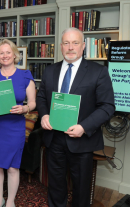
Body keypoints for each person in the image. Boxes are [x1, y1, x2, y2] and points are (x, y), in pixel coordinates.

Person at [36, 27, 115, 207]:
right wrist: (44, 114)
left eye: (75, 43)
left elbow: (107, 106)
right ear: (61, 46)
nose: (70, 47)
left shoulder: (98, 72)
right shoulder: (50, 71)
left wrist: (84, 127)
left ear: (83, 46)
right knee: (55, 185)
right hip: (53, 138)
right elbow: (41, 98)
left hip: (82, 140)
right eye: (66, 43)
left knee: (81, 189)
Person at [0, 39, 36, 207]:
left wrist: (24, 109)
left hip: (15, 127)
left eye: (8, 52)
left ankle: (11, 201)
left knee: (13, 167)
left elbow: (33, 103)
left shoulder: (25, 75)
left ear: (14, 55)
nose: (5, 55)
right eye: (1, 53)